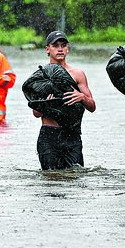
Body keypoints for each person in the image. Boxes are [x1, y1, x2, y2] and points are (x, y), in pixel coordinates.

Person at [32, 31, 96, 170]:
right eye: (55, 45)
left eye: (63, 45)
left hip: (72, 135)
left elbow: (92, 106)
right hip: (49, 135)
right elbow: (36, 113)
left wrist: (82, 97)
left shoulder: (78, 74)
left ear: (68, 49)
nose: (60, 49)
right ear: (47, 49)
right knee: (51, 180)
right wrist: (45, 104)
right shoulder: (41, 75)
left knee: (75, 179)